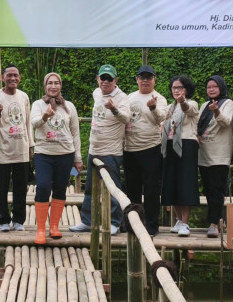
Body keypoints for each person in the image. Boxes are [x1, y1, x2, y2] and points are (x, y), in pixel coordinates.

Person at [71, 65, 131, 235]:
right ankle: (87, 221)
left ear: (115, 80)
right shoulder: (97, 92)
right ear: (98, 79)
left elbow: (126, 118)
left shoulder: (122, 98)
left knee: (112, 188)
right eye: (102, 78)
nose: (105, 82)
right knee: (89, 188)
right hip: (93, 149)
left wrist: (114, 109)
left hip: (111, 152)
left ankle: (115, 222)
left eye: (109, 79)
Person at [30, 72, 82, 245]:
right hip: (43, 153)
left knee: (60, 189)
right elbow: (34, 123)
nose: (53, 86)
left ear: (60, 86)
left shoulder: (70, 107)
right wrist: (45, 116)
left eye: (56, 83)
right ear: (45, 86)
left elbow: (75, 133)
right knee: (43, 187)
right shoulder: (38, 104)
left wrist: (78, 157)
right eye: (50, 83)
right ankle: (40, 230)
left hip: (65, 154)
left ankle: (54, 226)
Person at [125, 65, 167, 235]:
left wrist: (153, 107)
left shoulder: (160, 98)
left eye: (149, 77)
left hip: (150, 148)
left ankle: (151, 225)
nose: (145, 80)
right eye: (142, 77)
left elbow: (162, 117)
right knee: (132, 190)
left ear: (154, 80)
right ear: (137, 79)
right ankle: (134, 224)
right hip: (129, 149)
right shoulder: (128, 97)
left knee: (151, 190)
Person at [0, 64, 32, 232]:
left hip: (21, 146)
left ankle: (19, 220)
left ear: (19, 78)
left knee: (20, 187)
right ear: (3, 77)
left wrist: (31, 145)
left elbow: (28, 121)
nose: (13, 78)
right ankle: (3, 220)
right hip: (2, 148)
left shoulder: (23, 96)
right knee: (2, 186)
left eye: (15, 75)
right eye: (9, 76)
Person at [160, 75, 200, 236]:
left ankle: (186, 223)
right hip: (169, 145)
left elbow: (189, 110)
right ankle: (178, 219)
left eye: (180, 88)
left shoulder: (192, 103)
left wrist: (183, 101)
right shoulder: (170, 107)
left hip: (186, 145)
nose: (177, 91)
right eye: (174, 88)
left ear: (187, 89)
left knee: (186, 182)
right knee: (171, 182)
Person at [197, 75, 233, 238]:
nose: (211, 89)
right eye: (208, 87)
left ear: (221, 87)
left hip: (219, 154)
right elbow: (197, 124)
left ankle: (213, 224)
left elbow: (226, 122)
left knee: (216, 189)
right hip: (203, 152)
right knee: (207, 189)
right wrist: (196, 135)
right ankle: (219, 220)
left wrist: (217, 110)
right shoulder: (205, 105)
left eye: (214, 86)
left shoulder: (228, 103)